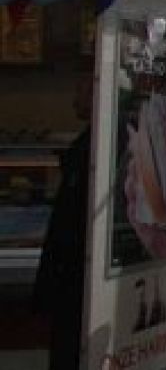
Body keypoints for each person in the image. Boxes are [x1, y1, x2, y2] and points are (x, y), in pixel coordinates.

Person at [34, 71, 92, 370]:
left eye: (80, 89)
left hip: (73, 279)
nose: (74, 99)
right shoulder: (87, 149)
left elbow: (66, 226)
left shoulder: (88, 152)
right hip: (72, 279)